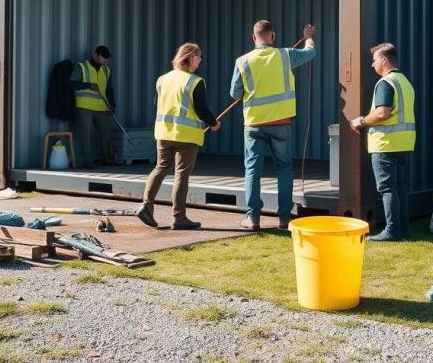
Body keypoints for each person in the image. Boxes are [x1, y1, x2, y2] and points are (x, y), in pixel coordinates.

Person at [231, 20, 317, 230]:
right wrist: (308, 36)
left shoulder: (242, 61)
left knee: (252, 170)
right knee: (284, 168)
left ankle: (252, 218)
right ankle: (284, 217)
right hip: (281, 123)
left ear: (254, 38)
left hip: (254, 124)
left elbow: (234, 94)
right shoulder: (286, 55)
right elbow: (310, 52)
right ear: (273, 36)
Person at [136, 43, 220, 230]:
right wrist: (214, 123)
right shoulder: (195, 81)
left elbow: (157, 105)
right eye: (198, 56)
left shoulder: (162, 79)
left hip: (164, 133)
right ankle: (179, 217)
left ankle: (146, 205)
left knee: (160, 168)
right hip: (186, 136)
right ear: (189, 57)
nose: (200, 60)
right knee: (181, 175)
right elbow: (201, 109)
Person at [350, 43, 416, 241]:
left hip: (386, 143)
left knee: (387, 188)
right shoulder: (405, 82)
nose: (372, 65)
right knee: (399, 187)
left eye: (374, 60)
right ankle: (402, 230)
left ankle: (392, 231)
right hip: (404, 143)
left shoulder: (385, 83)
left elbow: (382, 113)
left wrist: (361, 121)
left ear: (385, 60)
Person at [70, 45, 116, 168]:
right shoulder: (82, 67)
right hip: (84, 106)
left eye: (106, 58)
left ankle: (106, 158)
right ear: (95, 55)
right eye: (103, 57)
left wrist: (112, 105)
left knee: (107, 131)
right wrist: (88, 85)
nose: (105, 60)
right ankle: (88, 162)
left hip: (102, 107)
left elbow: (109, 89)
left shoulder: (106, 71)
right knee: (86, 135)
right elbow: (71, 84)